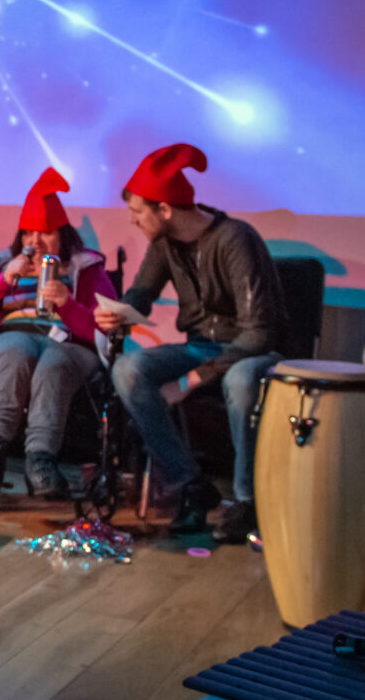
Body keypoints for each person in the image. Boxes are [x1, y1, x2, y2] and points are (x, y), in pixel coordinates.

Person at [96, 143, 284, 542]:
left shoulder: (236, 239)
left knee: (240, 379)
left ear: (164, 209)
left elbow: (258, 332)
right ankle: (191, 485)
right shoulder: (166, 244)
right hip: (203, 345)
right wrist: (120, 311)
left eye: (137, 214)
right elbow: (142, 294)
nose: (134, 223)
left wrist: (190, 381)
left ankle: (247, 501)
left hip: (253, 351)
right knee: (129, 369)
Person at [0, 168, 118, 500]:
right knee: (15, 349)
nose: (35, 242)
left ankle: (40, 460)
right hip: (16, 336)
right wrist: (3, 281)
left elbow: (106, 329)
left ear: (63, 235)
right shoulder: (7, 265)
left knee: (53, 362)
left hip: (70, 345)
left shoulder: (87, 267)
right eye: (28, 233)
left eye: (44, 233)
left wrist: (68, 305)